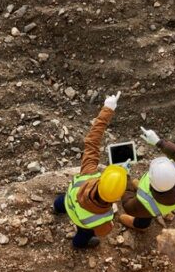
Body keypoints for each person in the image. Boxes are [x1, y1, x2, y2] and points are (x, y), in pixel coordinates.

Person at [53, 92, 127, 248]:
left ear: (102, 179)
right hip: (82, 223)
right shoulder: (105, 217)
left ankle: (57, 208)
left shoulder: (89, 174)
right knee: (83, 236)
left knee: (61, 202)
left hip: (69, 202)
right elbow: (103, 231)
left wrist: (108, 109)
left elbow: (92, 141)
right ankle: (78, 245)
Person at [119, 127, 175, 230]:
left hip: (150, 209)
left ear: (151, 183)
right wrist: (159, 142)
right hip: (171, 200)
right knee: (147, 210)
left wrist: (125, 177)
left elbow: (128, 206)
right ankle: (141, 192)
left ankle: (140, 226)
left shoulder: (146, 204)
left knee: (144, 216)